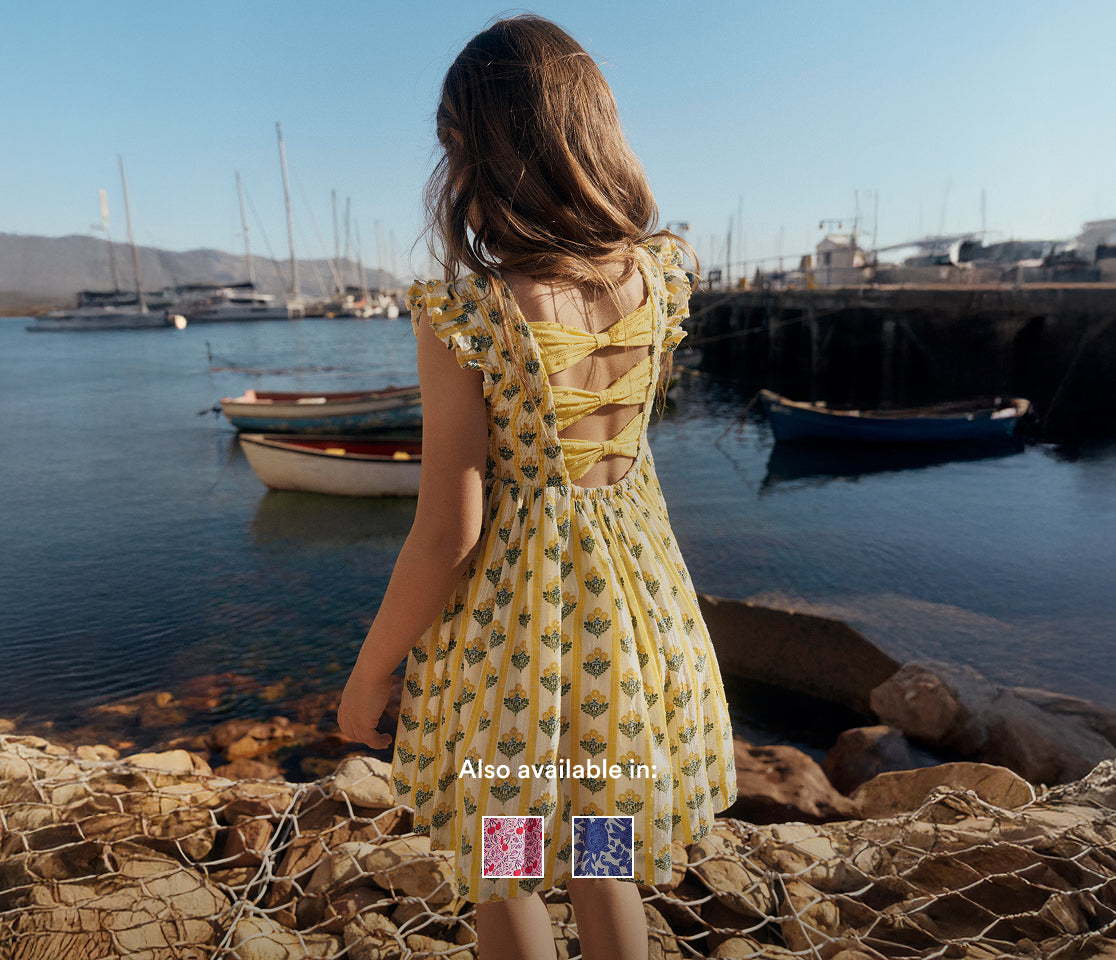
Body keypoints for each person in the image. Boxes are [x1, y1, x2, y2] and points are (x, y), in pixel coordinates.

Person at [338, 15, 736, 960]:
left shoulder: (469, 314)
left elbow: (450, 532)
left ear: (476, 152)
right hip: (631, 635)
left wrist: (372, 669)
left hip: (511, 657)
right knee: (604, 855)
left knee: (506, 862)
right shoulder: (657, 277)